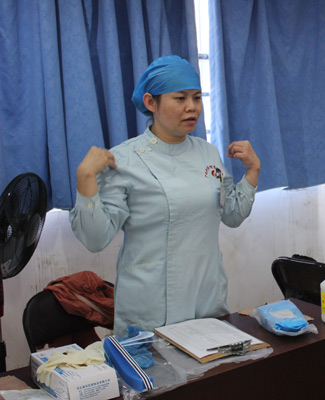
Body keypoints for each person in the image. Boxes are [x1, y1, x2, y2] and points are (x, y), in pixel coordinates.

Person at [70, 55, 260, 337]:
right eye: (180, 98)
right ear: (151, 102)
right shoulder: (125, 159)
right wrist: (85, 178)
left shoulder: (208, 153)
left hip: (206, 297)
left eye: (197, 98)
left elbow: (231, 215)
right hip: (151, 306)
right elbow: (95, 239)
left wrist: (252, 171)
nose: (192, 107)